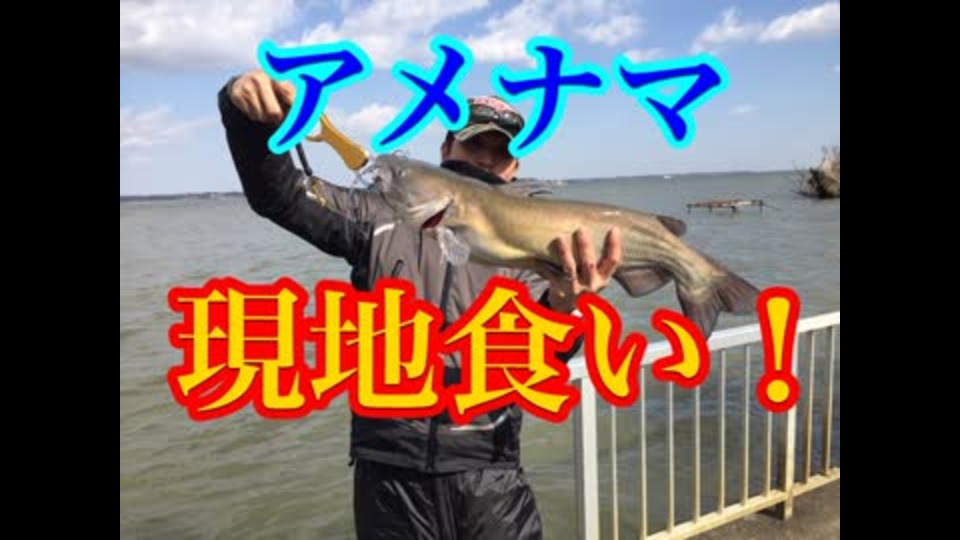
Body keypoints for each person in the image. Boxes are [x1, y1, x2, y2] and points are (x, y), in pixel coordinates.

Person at [219, 69, 622, 540]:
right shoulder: (376, 214)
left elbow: (544, 361)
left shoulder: (538, 247)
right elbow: (281, 196)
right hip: (390, 477)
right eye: (474, 144)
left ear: (515, 167)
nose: (486, 158)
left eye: (501, 152)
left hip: (492, 475)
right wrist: (246, 116)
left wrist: (562, 306)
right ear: (447, 148)